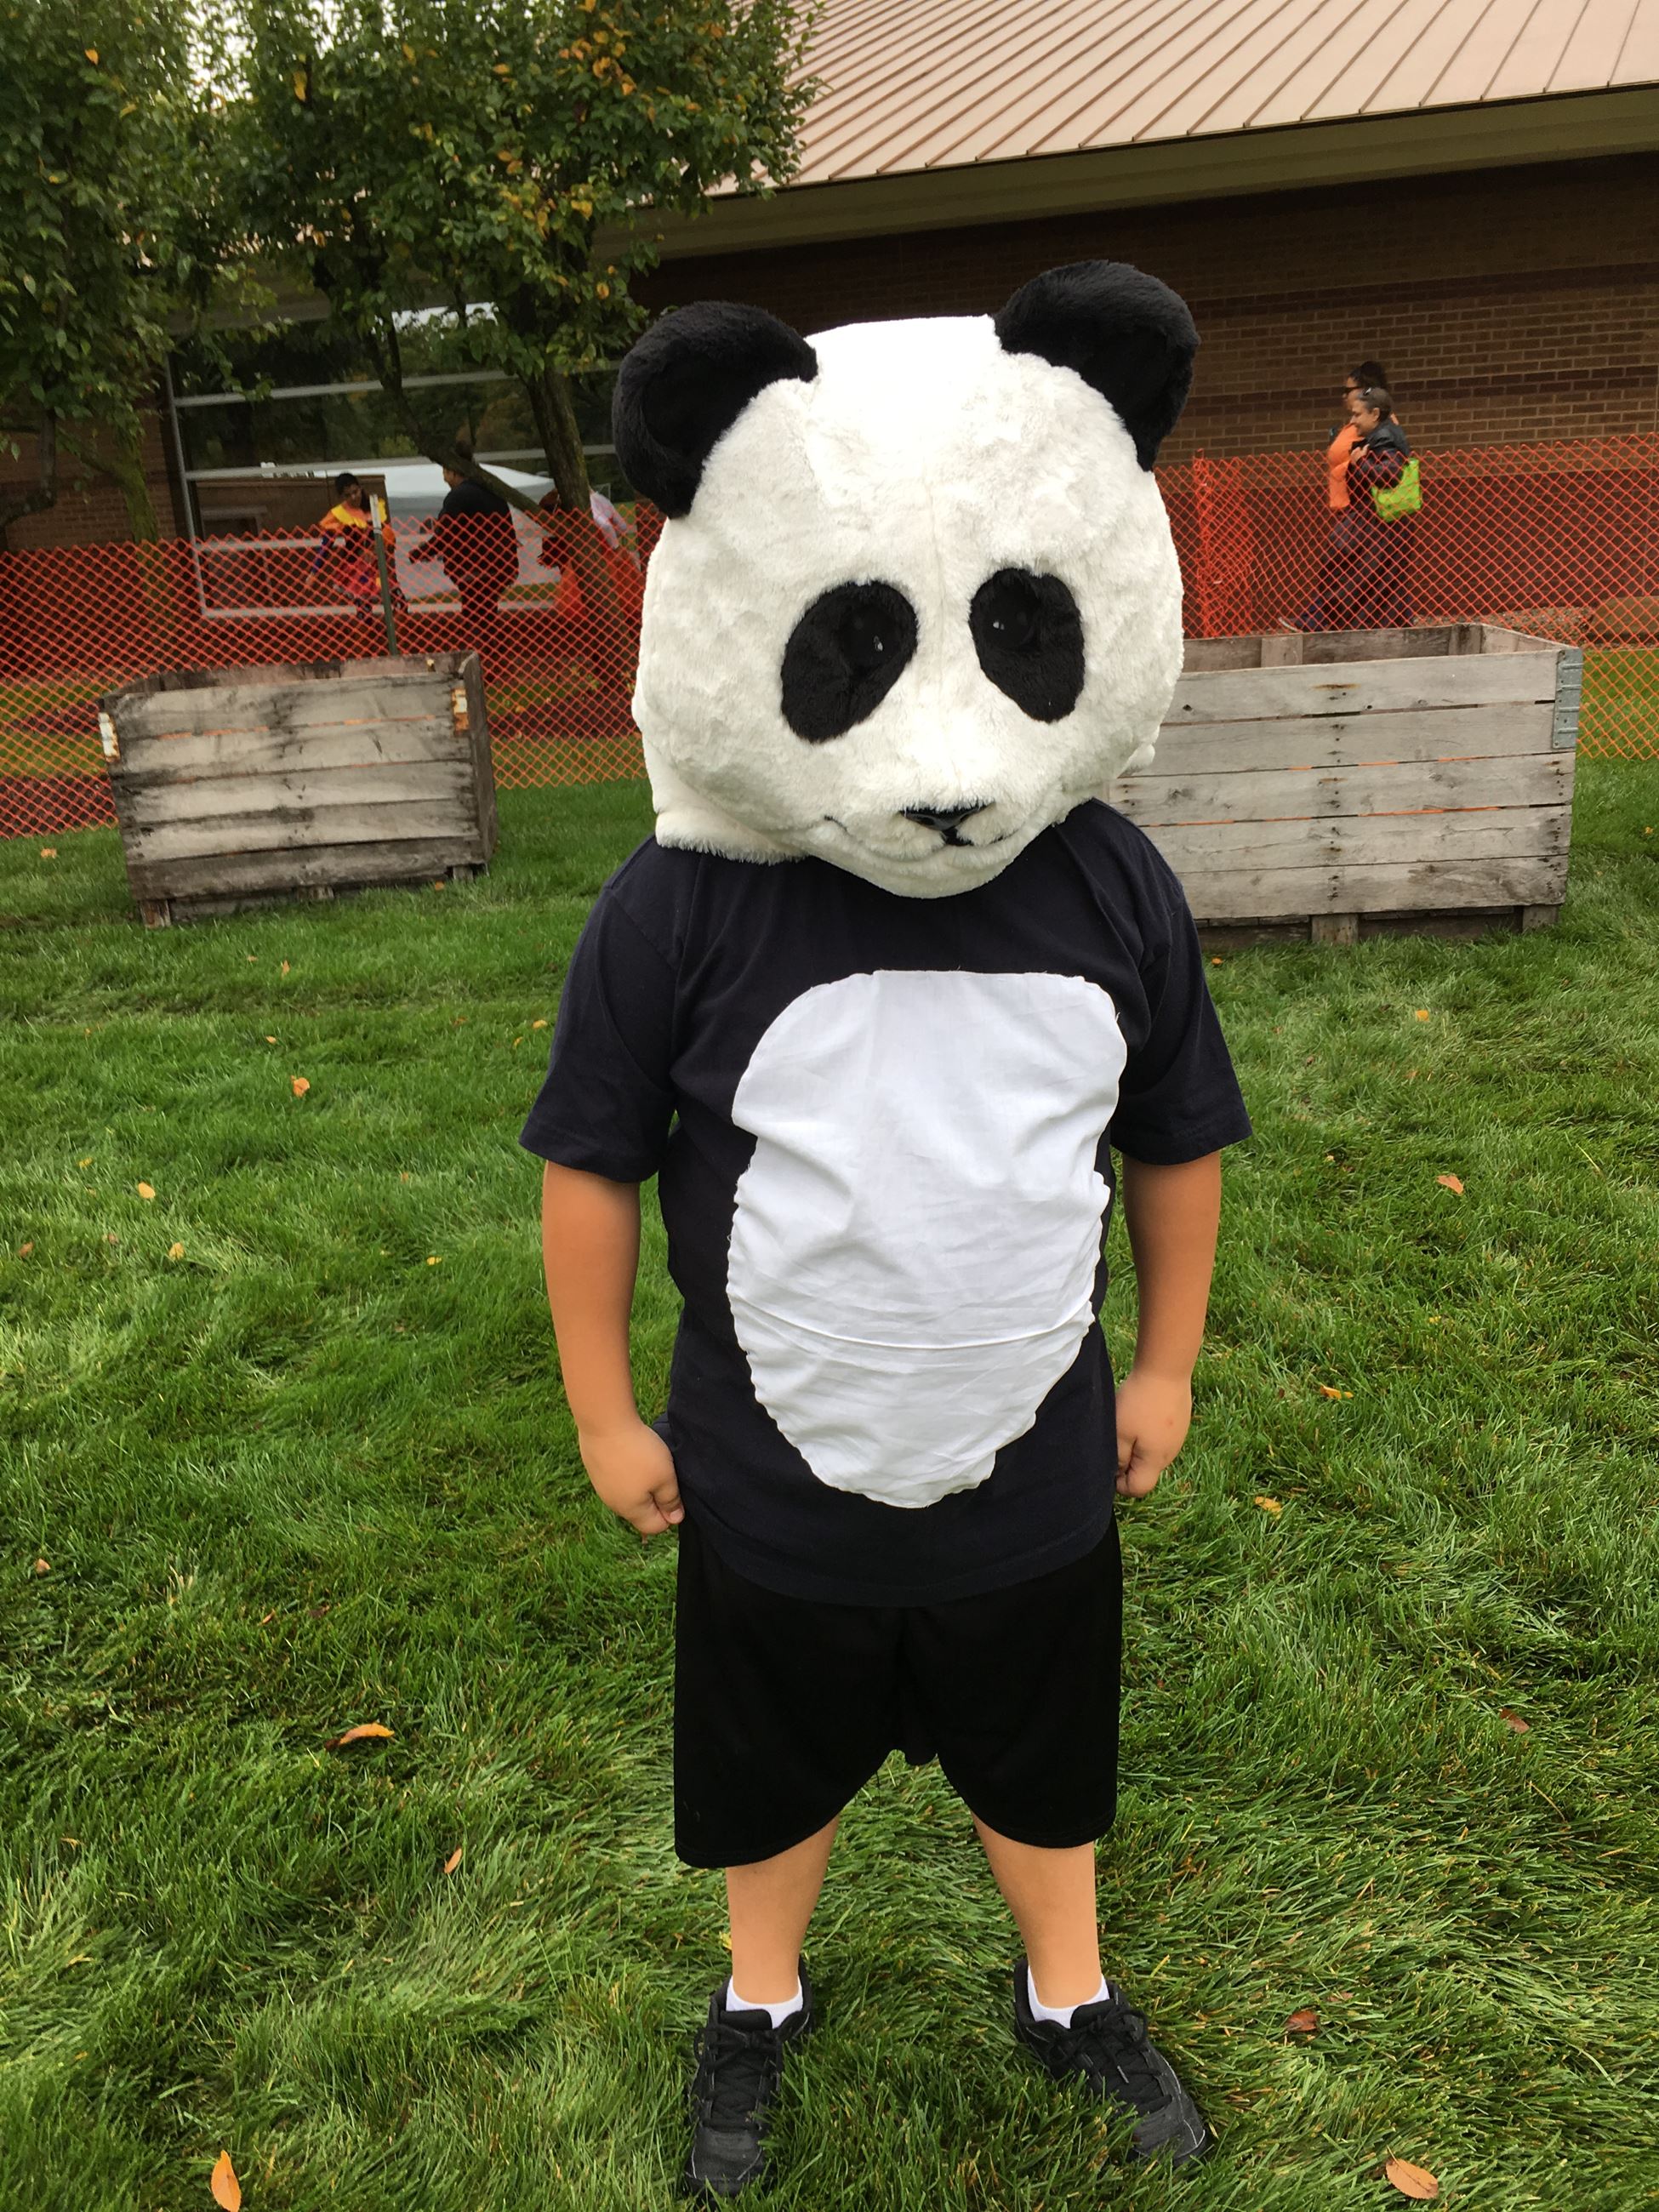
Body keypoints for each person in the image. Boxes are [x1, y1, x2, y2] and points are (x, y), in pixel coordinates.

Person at [522, 265, 1253, 2198]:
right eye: (857, 648)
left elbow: (1176, 1138)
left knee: (1044, 1748)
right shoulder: (680, 910)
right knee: (771, 1753)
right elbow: (591, 1162)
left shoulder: (1112, 888)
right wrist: (601, 1408)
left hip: (1034, 1472)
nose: (939, 766)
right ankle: (758, 1995)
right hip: (768, 1479)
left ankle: (1067, 1986)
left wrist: (1169, 1361)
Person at [409, 457, 519, 644]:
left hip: (473, 566)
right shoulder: (492, 491)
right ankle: (494, 647)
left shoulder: (458, 496)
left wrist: (421, 553)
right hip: (502, 563)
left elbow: (447, 532)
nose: (444, 478)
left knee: (474, 613)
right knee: (487, 610)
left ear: (454, 472)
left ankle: (482, 649)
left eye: (445, 473)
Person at [312, 473, 398, 628]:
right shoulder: (339, 513)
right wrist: (314, 571)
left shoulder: (374, 506)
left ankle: (398, 632)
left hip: (377, 566)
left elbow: (387, 534)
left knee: (397, 599)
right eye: (348, 495)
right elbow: (326, 544)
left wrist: (387, 547)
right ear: (342, 497)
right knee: (364, 607)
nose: (353, 497)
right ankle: (368, 635)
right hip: (356, 568)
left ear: (360, 488)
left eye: (355, 492)